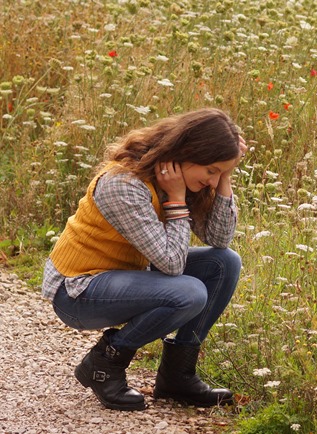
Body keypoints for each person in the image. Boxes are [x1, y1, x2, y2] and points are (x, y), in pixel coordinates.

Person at [41, 108, 247, 411]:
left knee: (225, 262)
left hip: (125, 278)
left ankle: (177, 376)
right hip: (79, 290)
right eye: (212, 170)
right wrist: (176, 200)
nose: (213, 181)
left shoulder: (179, 178)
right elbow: (172, 264)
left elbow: (220, 239)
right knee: (189, 292)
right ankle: (104, 364)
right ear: (189, 153)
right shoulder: (124, 183)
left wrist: (225, 175)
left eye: (222, 172)